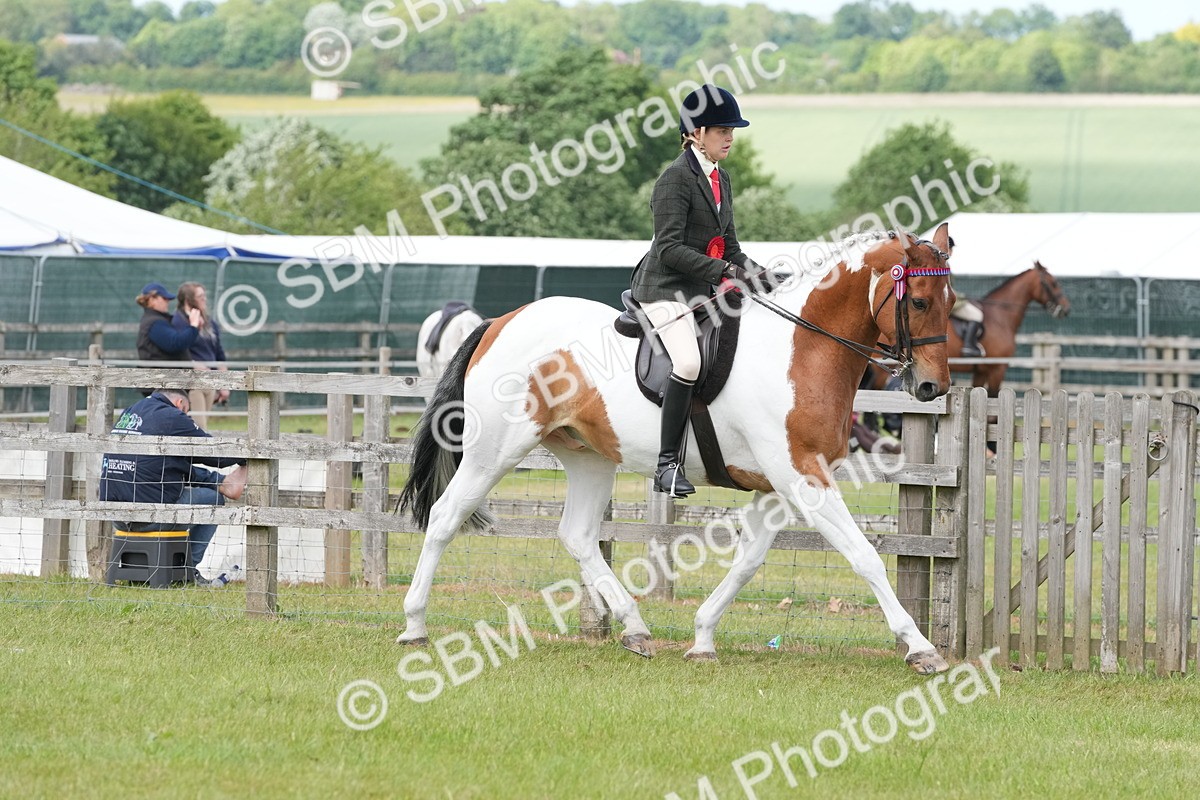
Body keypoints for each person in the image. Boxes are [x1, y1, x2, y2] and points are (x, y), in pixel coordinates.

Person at [630, 84, 779, 499]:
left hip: (702, 289)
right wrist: (725, 270)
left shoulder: (721, 178)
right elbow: (669, 248)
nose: (730, 136)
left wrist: (760, 274)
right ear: (696, 133)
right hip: (664, 289)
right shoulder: (673, 180)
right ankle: (667, 464)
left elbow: (729, 244)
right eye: (721, 130)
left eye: (732, 129)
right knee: (690, 362)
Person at [99, 388, 248, 586]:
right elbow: (214, 453)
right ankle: (187, 569)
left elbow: (170, 465)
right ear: (180, 404)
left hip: (115, 516)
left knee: (167, 470)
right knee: (213, 500)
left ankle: (222, 483)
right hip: (151, 515)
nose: (186, 417)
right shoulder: (172, 415)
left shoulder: (130, 412)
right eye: (186, 412)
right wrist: (249, 454)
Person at [172, 282, 229, 427]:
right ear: (189, 299)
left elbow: (219, 355)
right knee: (199, 427)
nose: (204, 299)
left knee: (202, 426)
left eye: (204, 296)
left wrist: (224, 384)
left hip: (210, 381)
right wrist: (194, 365)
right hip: (193, 382)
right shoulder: (178, 322)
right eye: (200, 296)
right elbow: (178, 351)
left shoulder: (210, 323)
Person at [136, 282, 202, 395]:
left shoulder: (157, 320)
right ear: (152, 299)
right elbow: (175, 343)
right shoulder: (154, 323)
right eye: (164, 298)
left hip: (167, 383)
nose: (167, 301)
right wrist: (193, 327)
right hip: (163, 385)